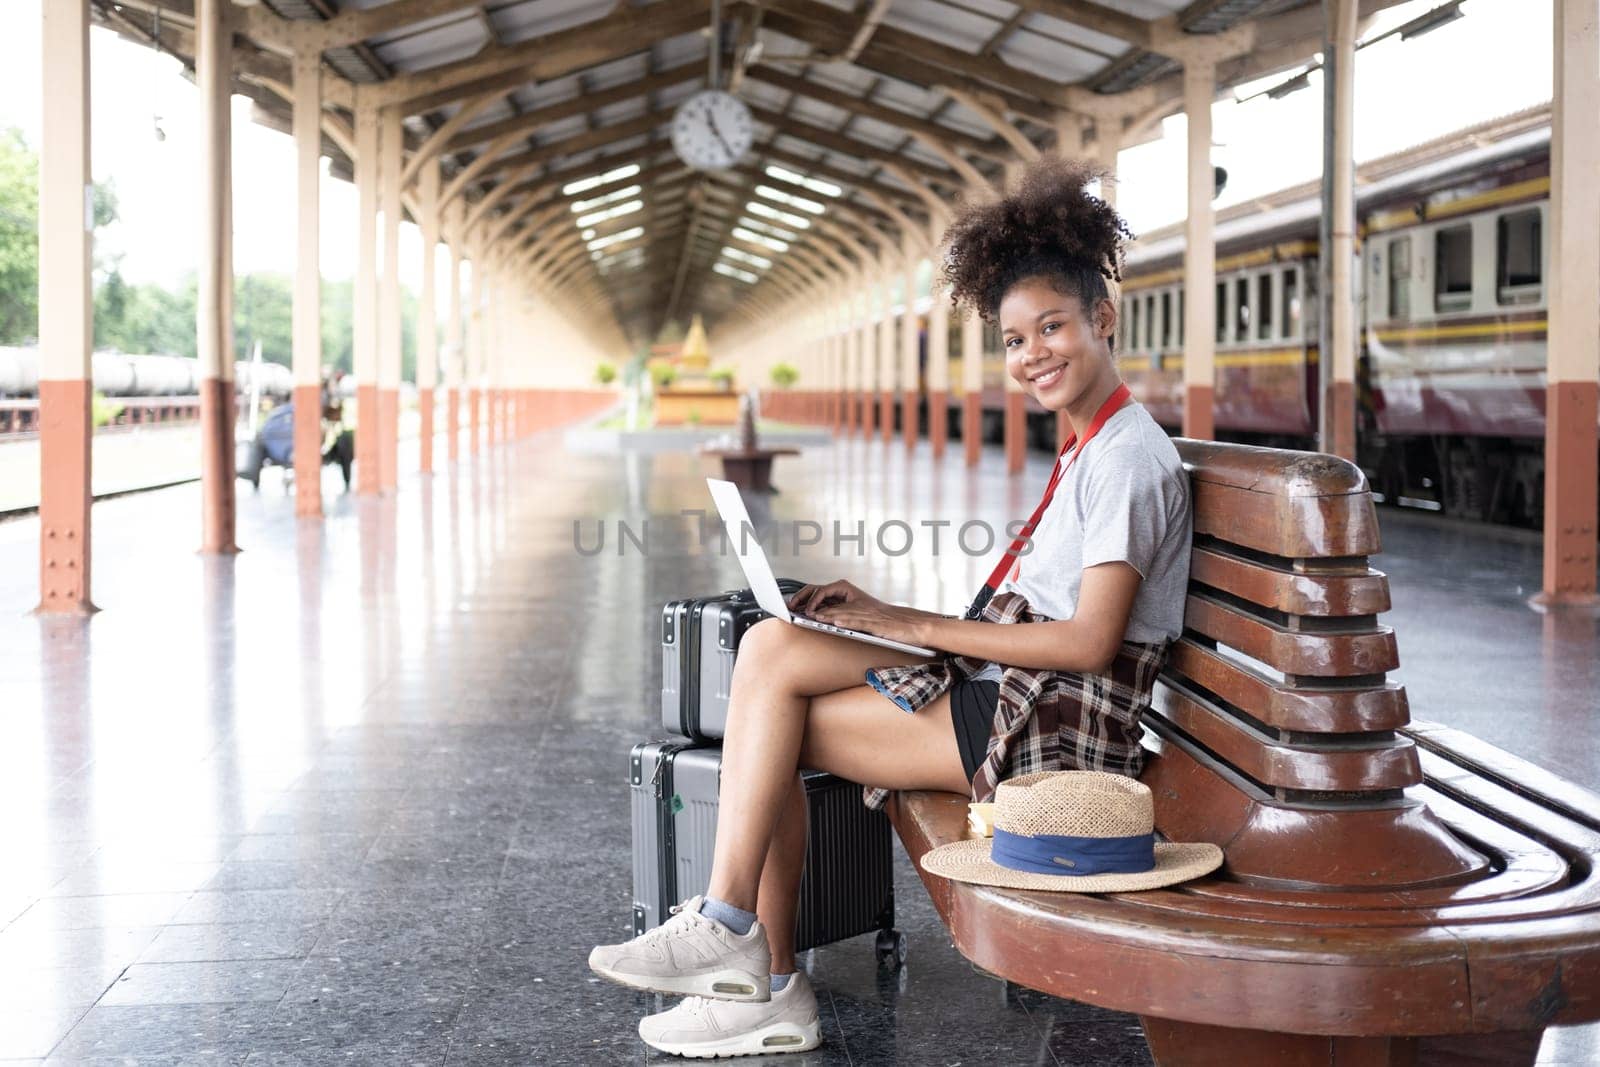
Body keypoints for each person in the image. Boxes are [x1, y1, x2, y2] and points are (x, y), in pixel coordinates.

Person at [588, 157, 1193, 1059]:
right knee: (773, 650)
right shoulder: (1089, 447)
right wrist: (877, 610)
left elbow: (1090, 639)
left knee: (771, 715)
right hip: (1012, 682)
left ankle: (755, 963)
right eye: (1014, 337)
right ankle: (741, 947)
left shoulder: (1128, 461)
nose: (1032, 354)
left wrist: (909, 627)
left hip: (1045, 724)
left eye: (1053, 327)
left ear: (1103, 320)